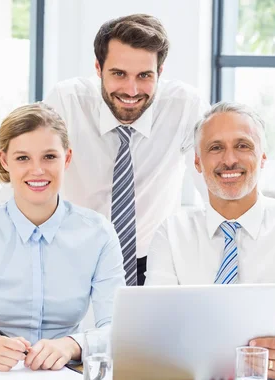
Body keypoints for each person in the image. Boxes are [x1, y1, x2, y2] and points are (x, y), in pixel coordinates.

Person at [146, 102, 275, 379]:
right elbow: (156, 323)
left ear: (263, 157)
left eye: (243, 146)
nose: (229, 160)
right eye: (215, 147)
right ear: (197, 161)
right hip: (188, 379)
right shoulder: (171, 233)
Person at [0, 103, 126, 371]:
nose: (38, 170)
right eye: (23, 158)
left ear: (66, 158)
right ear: (5, 160)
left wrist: (71, 345)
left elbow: (118, 330)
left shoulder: (98, 233)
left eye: (49, 157)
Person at [43, 14, 209, 286]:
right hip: (74, 255)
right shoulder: (66, 102)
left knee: (145, 329)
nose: (131, 90)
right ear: (98, 68)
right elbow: (29, 170)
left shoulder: (184, 105)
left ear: (160, 72)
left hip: (152, 260)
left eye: (144, 75)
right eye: (119, 74)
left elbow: (212, 185)